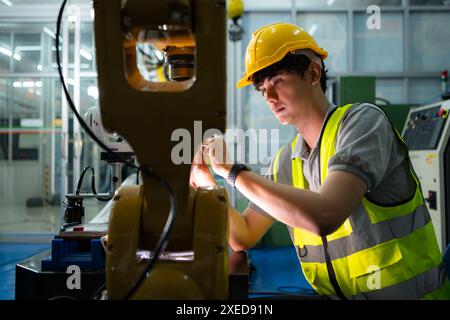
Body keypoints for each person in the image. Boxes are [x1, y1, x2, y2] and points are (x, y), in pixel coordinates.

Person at [190, 22, 450, 299]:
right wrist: (210, 183)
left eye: (277, 81)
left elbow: (326, 215)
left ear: (313, 73)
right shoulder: (286, 161)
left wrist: (232, 171)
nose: (269, 96)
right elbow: (242, 236)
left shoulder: (363, 123)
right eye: (262, 88)